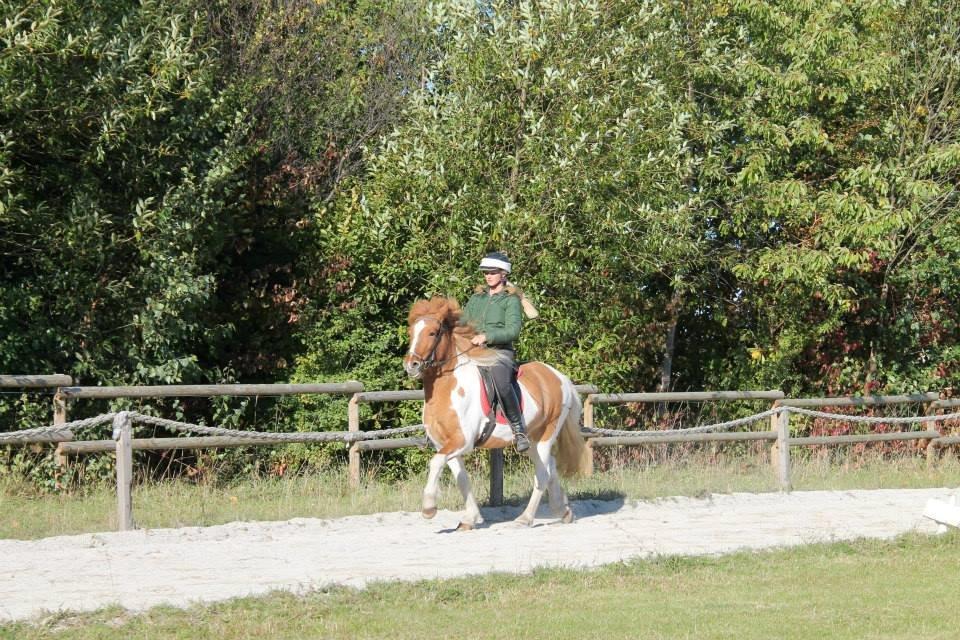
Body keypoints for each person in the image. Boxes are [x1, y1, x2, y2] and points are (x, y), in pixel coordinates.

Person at [461, 251, 532, 452]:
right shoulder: (477, 298)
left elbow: (513, 330)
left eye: (493, 272)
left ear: (503, 274)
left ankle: (519, 430)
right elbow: (464, 322)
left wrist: (487, 336)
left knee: (501, 383)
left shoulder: (510, 300)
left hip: (500, 352)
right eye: (486, 272)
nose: (488, 276)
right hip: (473, 350)